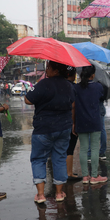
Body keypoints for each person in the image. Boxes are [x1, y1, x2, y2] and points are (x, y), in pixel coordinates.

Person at [25, 61, 74, 203]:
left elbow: (28, 100)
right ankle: (59, 193)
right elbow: (72, 103)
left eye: (49, 67)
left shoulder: (43, 84)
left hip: (43, 128)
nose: (47, 70)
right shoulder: (69, 86)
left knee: (39, 159)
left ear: (56, 71)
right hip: (64, 128)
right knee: (59, 158)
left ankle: (40, 195)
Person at [73, 65, 107, 185]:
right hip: (94, 121)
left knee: (83, 149)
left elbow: (73, 105)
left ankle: (85, 177)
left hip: (81, 121)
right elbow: (102, 97)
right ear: (92, 75)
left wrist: (73, 123)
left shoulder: (76, 88)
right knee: (94, 149)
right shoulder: (98, 86)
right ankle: (94, 176)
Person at [66, 67, 82, 181]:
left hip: (57, 121)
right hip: (68, 121)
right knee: (70, 149)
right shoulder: (72, 87)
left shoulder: (58, 85)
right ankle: (69, 173)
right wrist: (73, 123)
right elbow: (73, 106)